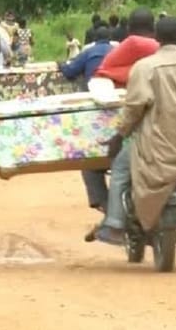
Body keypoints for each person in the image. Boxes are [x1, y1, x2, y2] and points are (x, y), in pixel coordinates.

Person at [95, 16, 176, 245]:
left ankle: (115, 224)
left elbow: (135, 107)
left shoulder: (143, 67)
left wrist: (119, 136)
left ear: (157, 39)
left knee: (120, 171)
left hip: (154, 143)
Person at [59, 27, 116, 214]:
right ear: (110, 38)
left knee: (89, 161)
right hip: (122, 111)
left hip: (97, 114)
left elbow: (69, 71)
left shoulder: (89, 52)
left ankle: (102, 202)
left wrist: (60, 64)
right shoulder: (119, 51)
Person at [92, 7, 159, 88]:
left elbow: (101, 73)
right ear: (153, 27)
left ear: (129, 28)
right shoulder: (140, 44)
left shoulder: (131, 44)